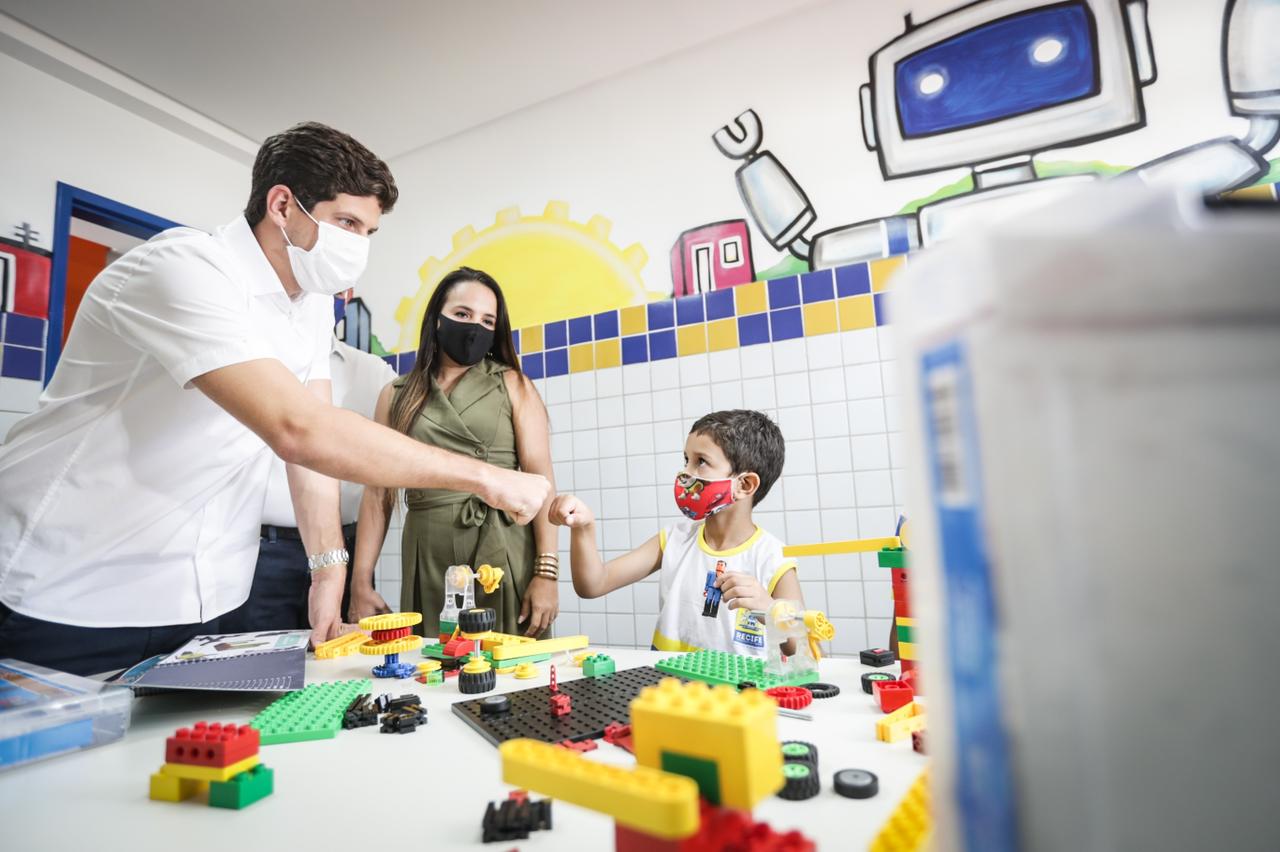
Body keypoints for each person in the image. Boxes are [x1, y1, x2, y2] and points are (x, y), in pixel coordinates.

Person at [0, 123, 549, 676]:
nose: (358, 246)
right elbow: (300, 429)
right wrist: (486, 476)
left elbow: (307, 455)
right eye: (347, 223)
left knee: (198, 757)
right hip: (67, 588)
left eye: (369, 232)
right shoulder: (185, 268)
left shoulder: (310, 307)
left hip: (205, 599)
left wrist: (329, 570)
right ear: (283, 204)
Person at [348, 267, 558, 638]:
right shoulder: (397, 394)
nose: (474, 327)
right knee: (434, 664)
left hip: (502, 547)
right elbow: (378, 492)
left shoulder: (513, 384)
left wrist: (546, 573)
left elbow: (541, 481)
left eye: (487, 320)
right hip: (428, 549)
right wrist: (360, 582)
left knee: (511, 670)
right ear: (437, 318)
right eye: (463, 314)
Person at [549, 409, 802, 656]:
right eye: (686, 460)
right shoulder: (674, 540)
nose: (685, 474)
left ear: (744, 485)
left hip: (739, 695)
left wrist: (771, 610)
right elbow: (593, 584)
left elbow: (804, 648)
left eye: (700, 462)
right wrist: (584, 528)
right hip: (670, 689)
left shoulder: (772, 557)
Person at [217, 332, 398, 634]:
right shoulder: (248, 365)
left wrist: (360, 579)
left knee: (338, 660)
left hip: (346, 550)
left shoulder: (374, 373)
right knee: (261, 666)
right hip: (265, 554)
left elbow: (385, 472)